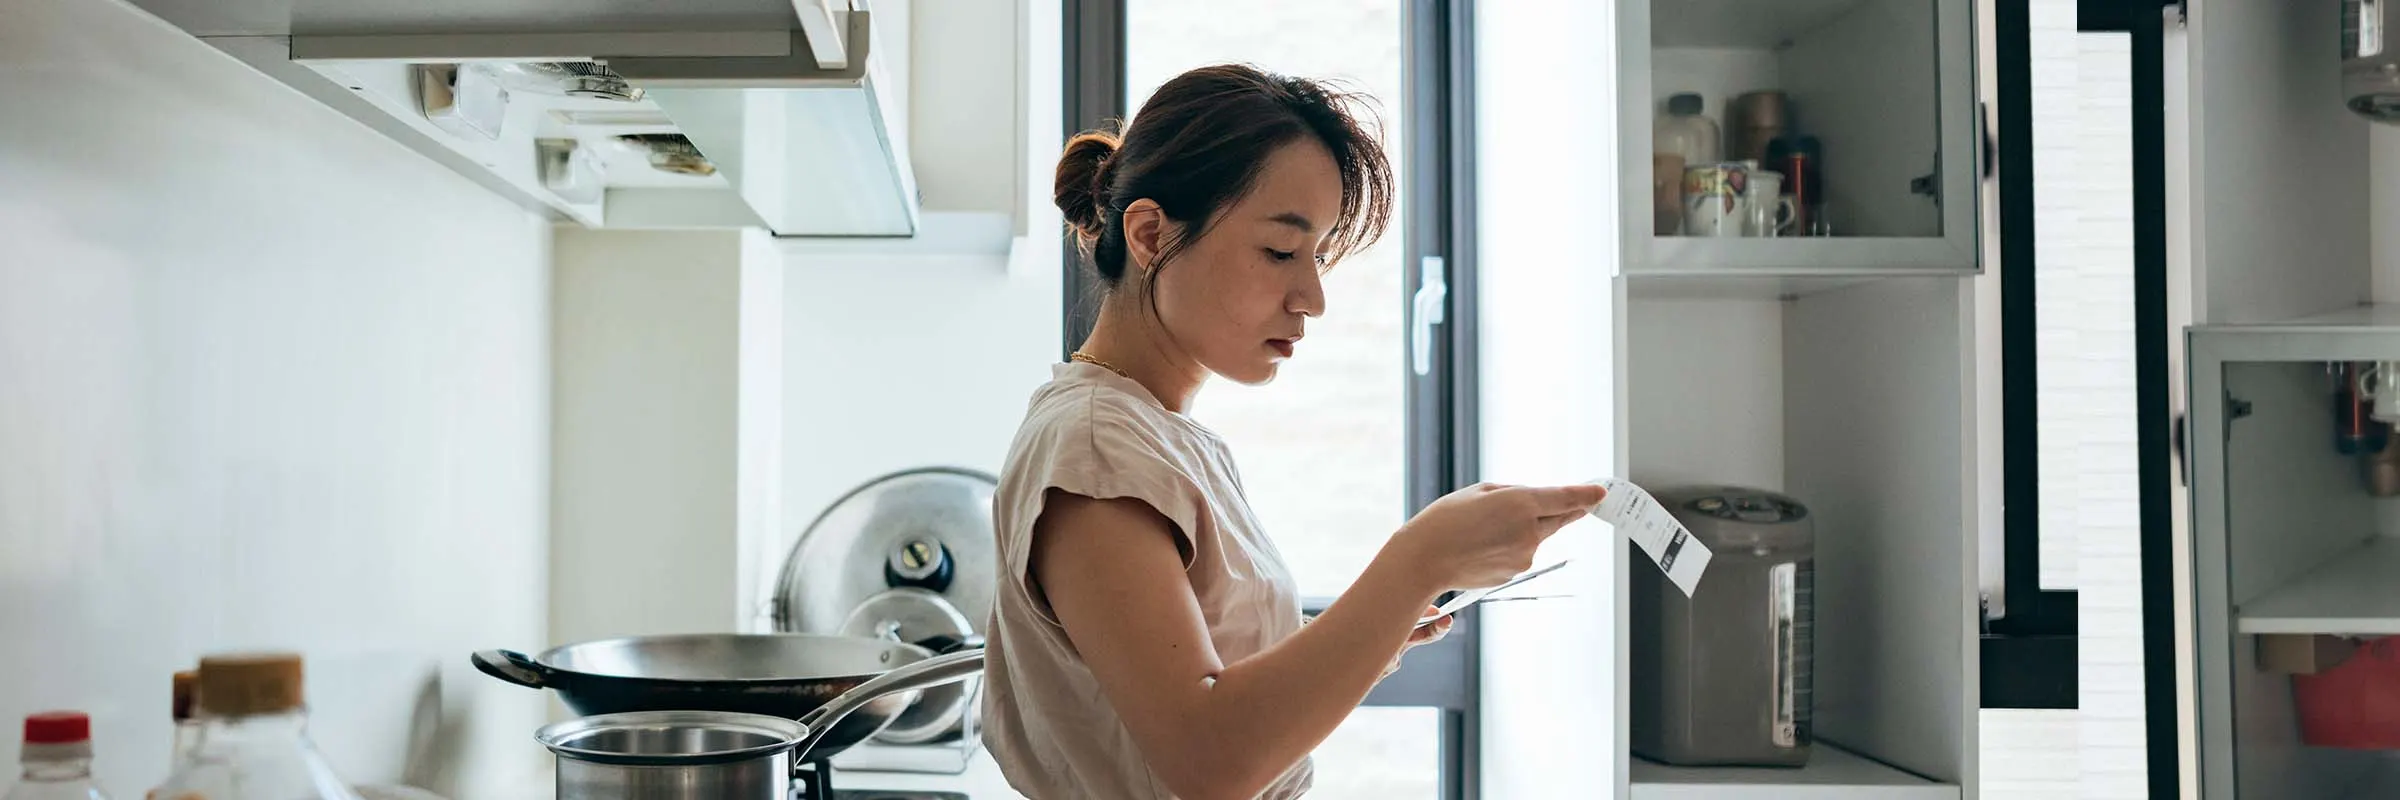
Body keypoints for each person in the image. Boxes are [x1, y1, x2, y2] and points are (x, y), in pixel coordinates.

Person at [980, 63, 1606, 800]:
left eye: (1318, 256)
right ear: (1150, 234)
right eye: (1281, 252)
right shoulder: (1094, 446)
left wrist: (1373, 630)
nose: (1312, 298)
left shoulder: (1153, 434)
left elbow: (1212, 695)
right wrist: (1418, 560)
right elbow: (1208, 757)